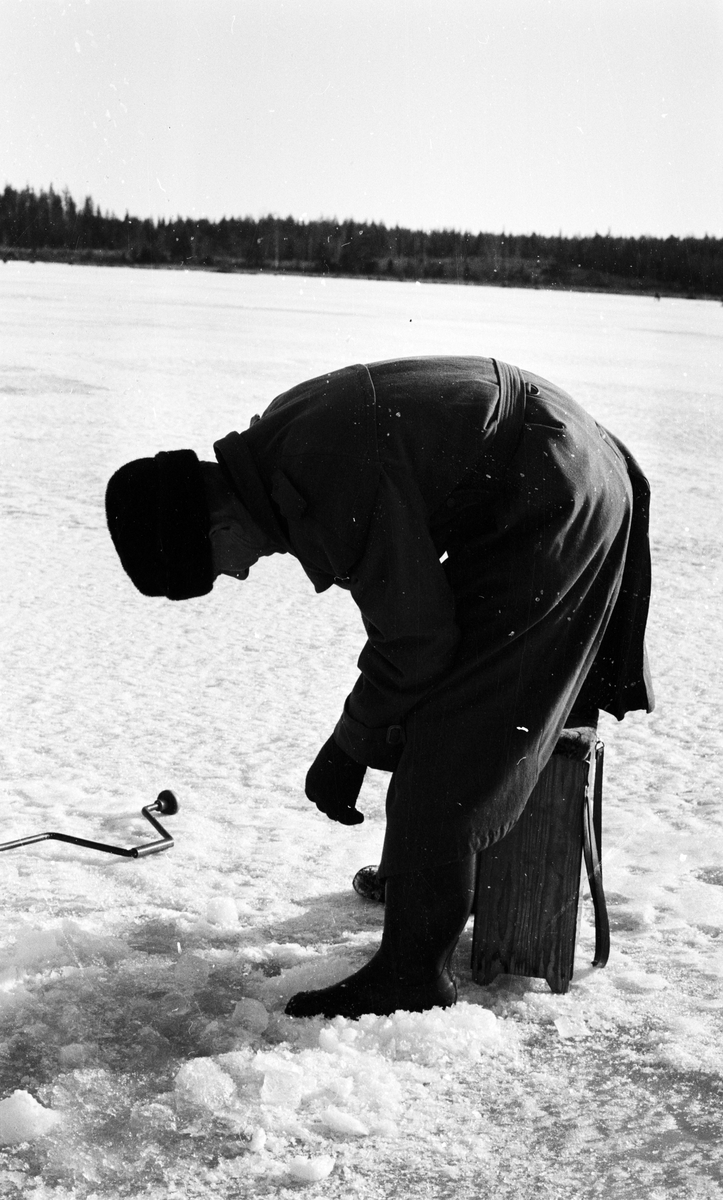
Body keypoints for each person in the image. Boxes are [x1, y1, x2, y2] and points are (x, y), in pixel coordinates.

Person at [105, 356, 653, 1020]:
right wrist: (363, 734)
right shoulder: (282, 453)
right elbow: (413, 624)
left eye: (218, 570)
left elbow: (417, 641)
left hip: (555, 495)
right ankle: (427, 882)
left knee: (457, 747)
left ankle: (414, 975)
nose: (240, 576)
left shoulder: (326, 478)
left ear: (217, 524)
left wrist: (348, 746)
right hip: (548, 470)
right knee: (437, 710)